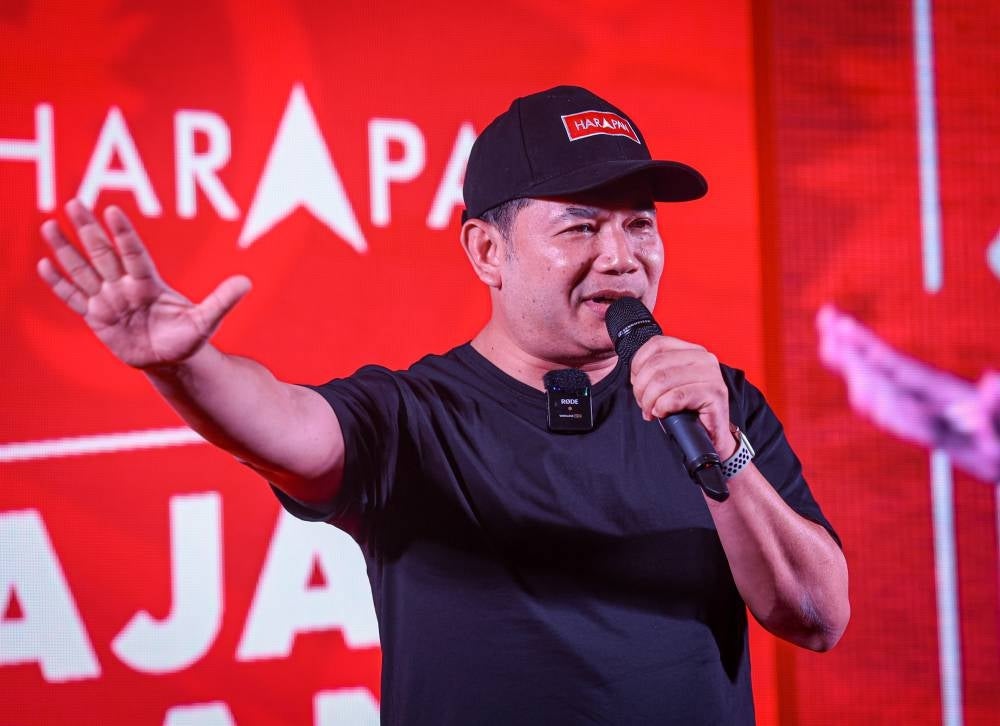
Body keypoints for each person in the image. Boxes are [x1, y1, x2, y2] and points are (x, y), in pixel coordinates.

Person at [38, 86, 849, 725]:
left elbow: (817, 617)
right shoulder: (412, 420)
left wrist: (724, 453)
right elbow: (281, 423)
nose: (621, 256)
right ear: (487, 251)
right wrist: (186, 367)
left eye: (640, 224)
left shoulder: (717, 404)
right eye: (580, 227)